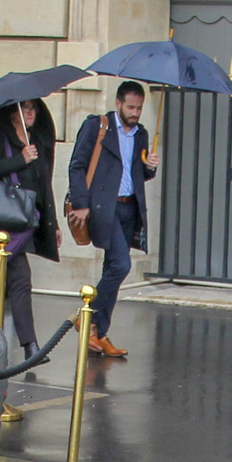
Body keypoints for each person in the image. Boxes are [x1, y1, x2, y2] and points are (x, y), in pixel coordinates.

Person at [66, 80, 158, 359]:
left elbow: (138, 174)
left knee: (112, 269)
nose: (135, 112)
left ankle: (98, 333)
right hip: (104, 207)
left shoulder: (141, 134)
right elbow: (77, 165)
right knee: (121, 264)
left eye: (140, 108)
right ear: (118, 103)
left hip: (130, 207)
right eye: (131, 107)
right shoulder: (98, 126)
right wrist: (81, 204)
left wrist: (149, 167)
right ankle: (87, 317)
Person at [0, 97, 59, 350]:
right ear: (12, 112)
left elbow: (45, 185)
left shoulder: (38, 141)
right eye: (24, 108)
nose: (30, 112)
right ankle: (30, 345)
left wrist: (53, 223)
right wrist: (19, 159)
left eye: (33, 108)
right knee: (21, 277)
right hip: (4, 221)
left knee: (1, 282)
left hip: (26, 221)